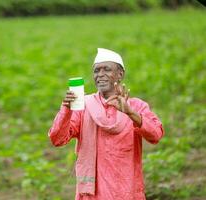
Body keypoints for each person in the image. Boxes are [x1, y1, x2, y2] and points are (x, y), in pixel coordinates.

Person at [48, 48, 164, 200]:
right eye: (96, 71)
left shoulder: (136, 106)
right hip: (92, 194)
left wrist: (131, 113)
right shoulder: (83, 107)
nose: (100, 75)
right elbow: (57, 139)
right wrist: (66, 110)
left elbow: (156, 135)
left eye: (107, 69)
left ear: (120, 74)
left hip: (127, 192)